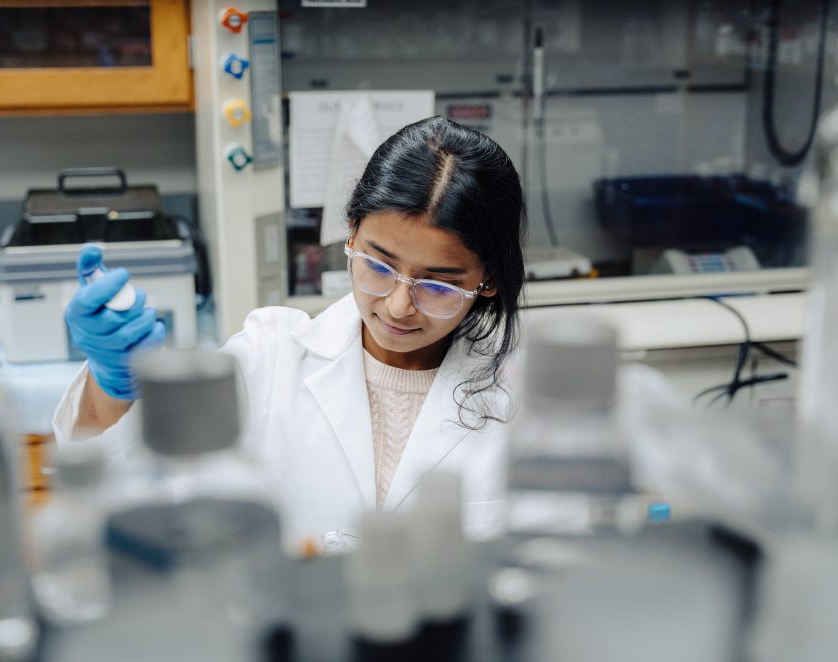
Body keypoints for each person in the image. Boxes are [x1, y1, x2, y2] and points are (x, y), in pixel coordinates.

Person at [53, 116, 527, 555]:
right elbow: (118, 483)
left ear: (487, 279)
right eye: (379, 266)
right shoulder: (271, 355)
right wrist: (113, 386)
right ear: (351, 233)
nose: (399, 306)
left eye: (438, 285)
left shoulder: (522, 399)